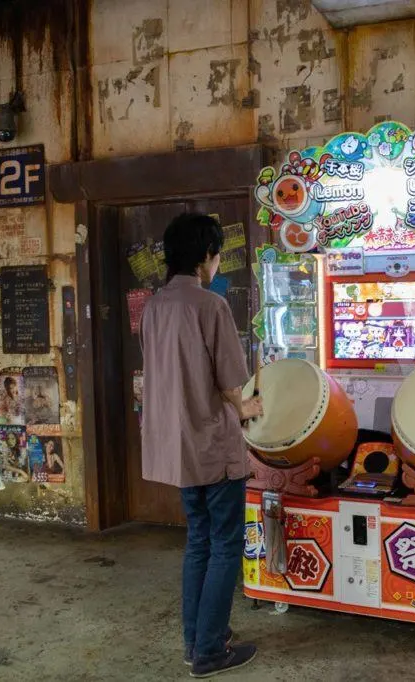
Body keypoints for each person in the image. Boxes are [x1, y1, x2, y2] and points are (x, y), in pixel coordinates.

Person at [139, 212, 262, 678]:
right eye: (215, 255)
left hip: (177, 448)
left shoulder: (154, 306)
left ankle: (196, 642)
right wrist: (248, 408)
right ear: (206, 257)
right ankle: (210, 650)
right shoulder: (210, 306)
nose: (215, 263)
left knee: (198, 543)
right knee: (227, 545)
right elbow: (234, 384)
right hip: (213, 444)